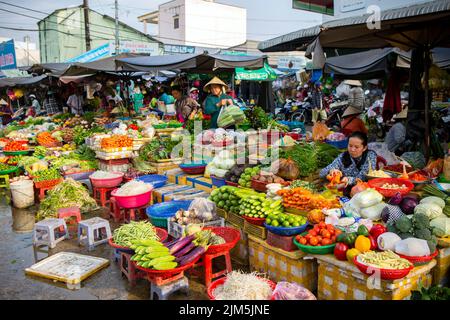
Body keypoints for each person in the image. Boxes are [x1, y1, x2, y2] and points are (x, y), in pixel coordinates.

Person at [319, 131, 377, 197]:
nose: (352, 149)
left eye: (356, 147)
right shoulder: (343, 156)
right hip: (344, 192)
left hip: (364, 193)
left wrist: (348, 180)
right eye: (350, 145)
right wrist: (331, 171)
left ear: (364, 148)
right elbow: (321, 173)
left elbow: (363, 177)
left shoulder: (370, 156)